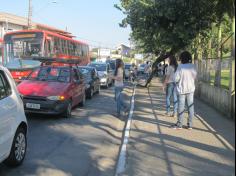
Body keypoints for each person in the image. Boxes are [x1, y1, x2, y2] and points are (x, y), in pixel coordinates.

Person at [171, 51, 197, 130]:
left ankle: (180, 124)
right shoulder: (193, 66)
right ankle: (190, 125)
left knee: (181, 107)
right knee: (190, 107)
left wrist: (178, 81)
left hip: (182, 89)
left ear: (181, 58)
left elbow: (175, 78)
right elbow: (195, 76)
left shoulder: (180, 67)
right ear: (189, 58)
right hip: (191, 89)